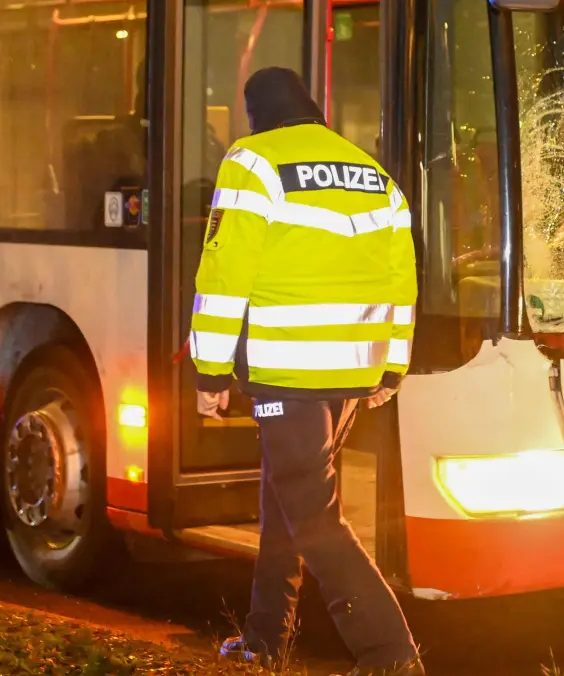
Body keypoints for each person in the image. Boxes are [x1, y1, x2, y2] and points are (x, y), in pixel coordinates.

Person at [189, 67, 422, 676]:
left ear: (254, 114)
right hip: (351, 374)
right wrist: (392, 366)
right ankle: (266, 641)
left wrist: (210, 373)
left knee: (314, 518)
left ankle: (389, 656)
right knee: (286, 503)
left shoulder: (253, 162)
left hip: (288, 371)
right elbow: (403, 279)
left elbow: (224, 276)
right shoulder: (370, 172)